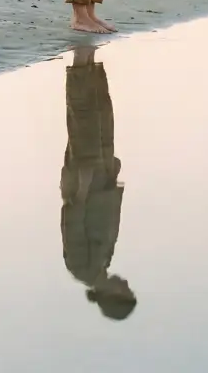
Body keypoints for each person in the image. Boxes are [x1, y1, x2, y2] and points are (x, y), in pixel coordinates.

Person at [60, 44, 137, 321]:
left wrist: (80, 187)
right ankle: (88, 61)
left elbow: (72, 225)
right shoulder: (102, 264)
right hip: (101, 176)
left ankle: (82, 62)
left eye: (125, 290)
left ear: (110, 296)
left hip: (86, 181)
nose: (126, 283)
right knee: (102, 115)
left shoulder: (82, 268)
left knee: (84, 119)